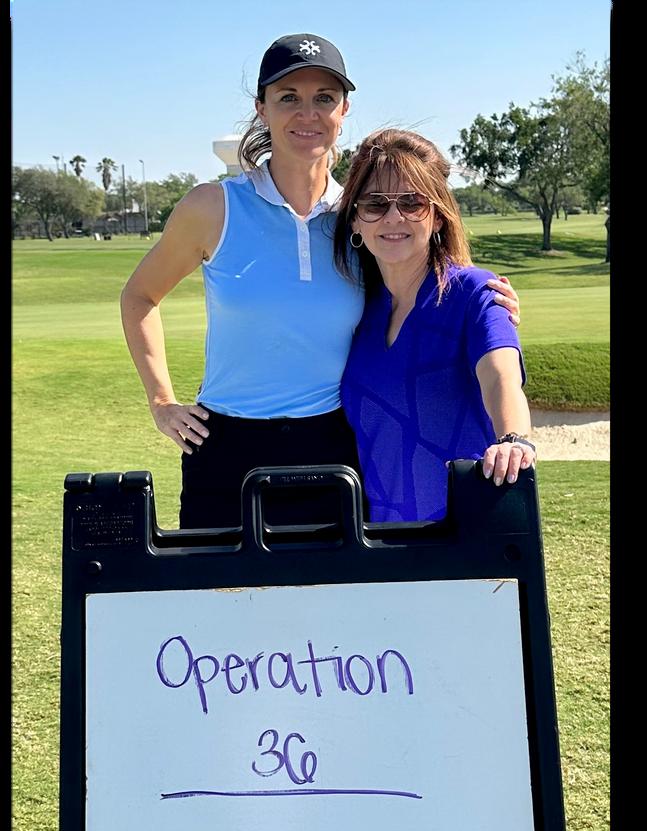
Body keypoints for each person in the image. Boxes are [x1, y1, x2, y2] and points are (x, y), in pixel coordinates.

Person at [120, 34, 521, 529]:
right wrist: (161, 402)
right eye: (289, 97)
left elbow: (420, 274)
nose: (307, 114)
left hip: (333, 445)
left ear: (343, 110)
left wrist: (485, 303)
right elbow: (139, 296)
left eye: (324, 98)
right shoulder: (212, 207)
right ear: (262, 108)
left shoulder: (360, 214)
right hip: (224, 446)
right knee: (216, 580)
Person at [335, 129, 536, 523]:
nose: (394, 217)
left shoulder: (475, 293)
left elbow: (500, 377)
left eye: (412, 202)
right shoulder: (356, 311)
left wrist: (513, 439)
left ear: (439, 215)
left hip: (469, 534)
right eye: (375, 204)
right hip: (379, 540)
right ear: (355, 220)